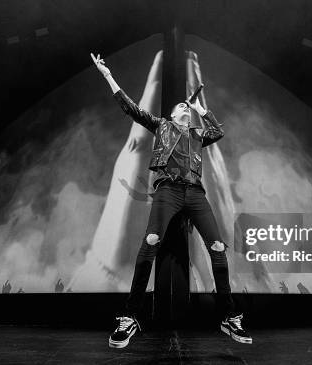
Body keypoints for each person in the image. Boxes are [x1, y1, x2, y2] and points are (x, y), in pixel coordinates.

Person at [90, 53, 252, 348]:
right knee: (151, 241)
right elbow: (131, 109)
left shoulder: (197, 134)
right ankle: (130, 316)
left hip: (195, 193)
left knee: (217, 246)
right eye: (182, 107)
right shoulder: (162, 126)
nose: (185, 110)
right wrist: (107, 76)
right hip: (168, 191)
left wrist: (201, 109)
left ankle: (229, 316)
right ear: (172, 114)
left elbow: (219, 131)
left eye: (187, 109)